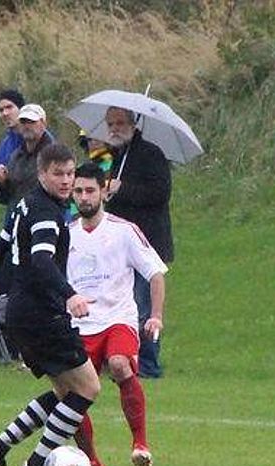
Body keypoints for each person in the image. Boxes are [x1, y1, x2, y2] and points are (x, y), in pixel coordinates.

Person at [0, 143, 100, 466]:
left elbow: (0, 245)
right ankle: (36, 465)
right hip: (42, 314)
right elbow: (40, 259)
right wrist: (69, 295)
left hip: (20, 312)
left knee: (64, 393)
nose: (67, 181)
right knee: (88, 388)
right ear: (42, 174)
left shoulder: (25, 203)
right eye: (59, 174)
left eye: (70, 173)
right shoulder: (46, 213)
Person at [67, 162, 166, 466]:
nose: (84, 197)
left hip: (117, 319)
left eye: (90, 190)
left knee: (121, 364)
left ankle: (140, 444)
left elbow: (155, 273)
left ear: (104, 192)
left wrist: (156, 316)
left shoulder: (124, 231)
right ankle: (92, 462)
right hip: (79, 325)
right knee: (76, 393)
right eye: (78, 191)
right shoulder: (64, 234)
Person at [104, 106, 173, 378]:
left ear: (133, 125)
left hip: (148, 241)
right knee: (126, 305)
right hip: (121, 243)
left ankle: (149, 364)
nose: (115, 128)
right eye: (111, 123)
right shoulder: (116, 156)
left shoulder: (151, 154)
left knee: (144, 305)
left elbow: (160, 193)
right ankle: (128, 359)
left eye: (120, 123)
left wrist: (124, 190)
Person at [0, 104, 54, 210]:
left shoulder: (54, 155)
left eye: (32, 122)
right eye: (23, 122)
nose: (27, 126)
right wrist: (1, 182)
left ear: (43, 124)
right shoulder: (15, 157)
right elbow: (6, 198)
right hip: (19, 218)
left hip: (46, 217)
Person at [0, 89, 26, 201]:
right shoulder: (3, 147)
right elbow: (1, 197)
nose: (5, 113)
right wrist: (0, 182)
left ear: (21, 109)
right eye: (1, 110)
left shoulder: (40, 137)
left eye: (9, 107)